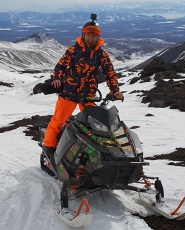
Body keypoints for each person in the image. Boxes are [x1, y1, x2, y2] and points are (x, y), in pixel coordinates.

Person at [43, 14, 124, 155]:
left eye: (94, 35)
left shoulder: (101, 55)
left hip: (88, 96)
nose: (91, 38)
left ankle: (90, 151)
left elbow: (109, 73)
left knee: (94, 125)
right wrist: (57, 78)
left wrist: (115, 90)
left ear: (98, 37)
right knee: (58, 121)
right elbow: (60, 66)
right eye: (88, 34)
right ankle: (49, 147)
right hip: (68, 93)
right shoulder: (73, 51)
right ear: (83, 34)